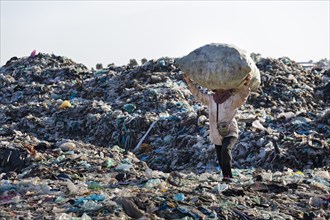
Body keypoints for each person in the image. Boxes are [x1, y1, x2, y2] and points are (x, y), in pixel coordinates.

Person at [183, 73, 251, 182]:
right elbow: (198, 94)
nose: (221, 90)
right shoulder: (211, 99)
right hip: (216, 133)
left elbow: (243, 96)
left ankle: (228, 176)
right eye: (218, 88)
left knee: (226, 149)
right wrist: (189, 82)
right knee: (220, 157)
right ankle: (225, 177)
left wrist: (247, 84)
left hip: (230, 131)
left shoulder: (232, 100)